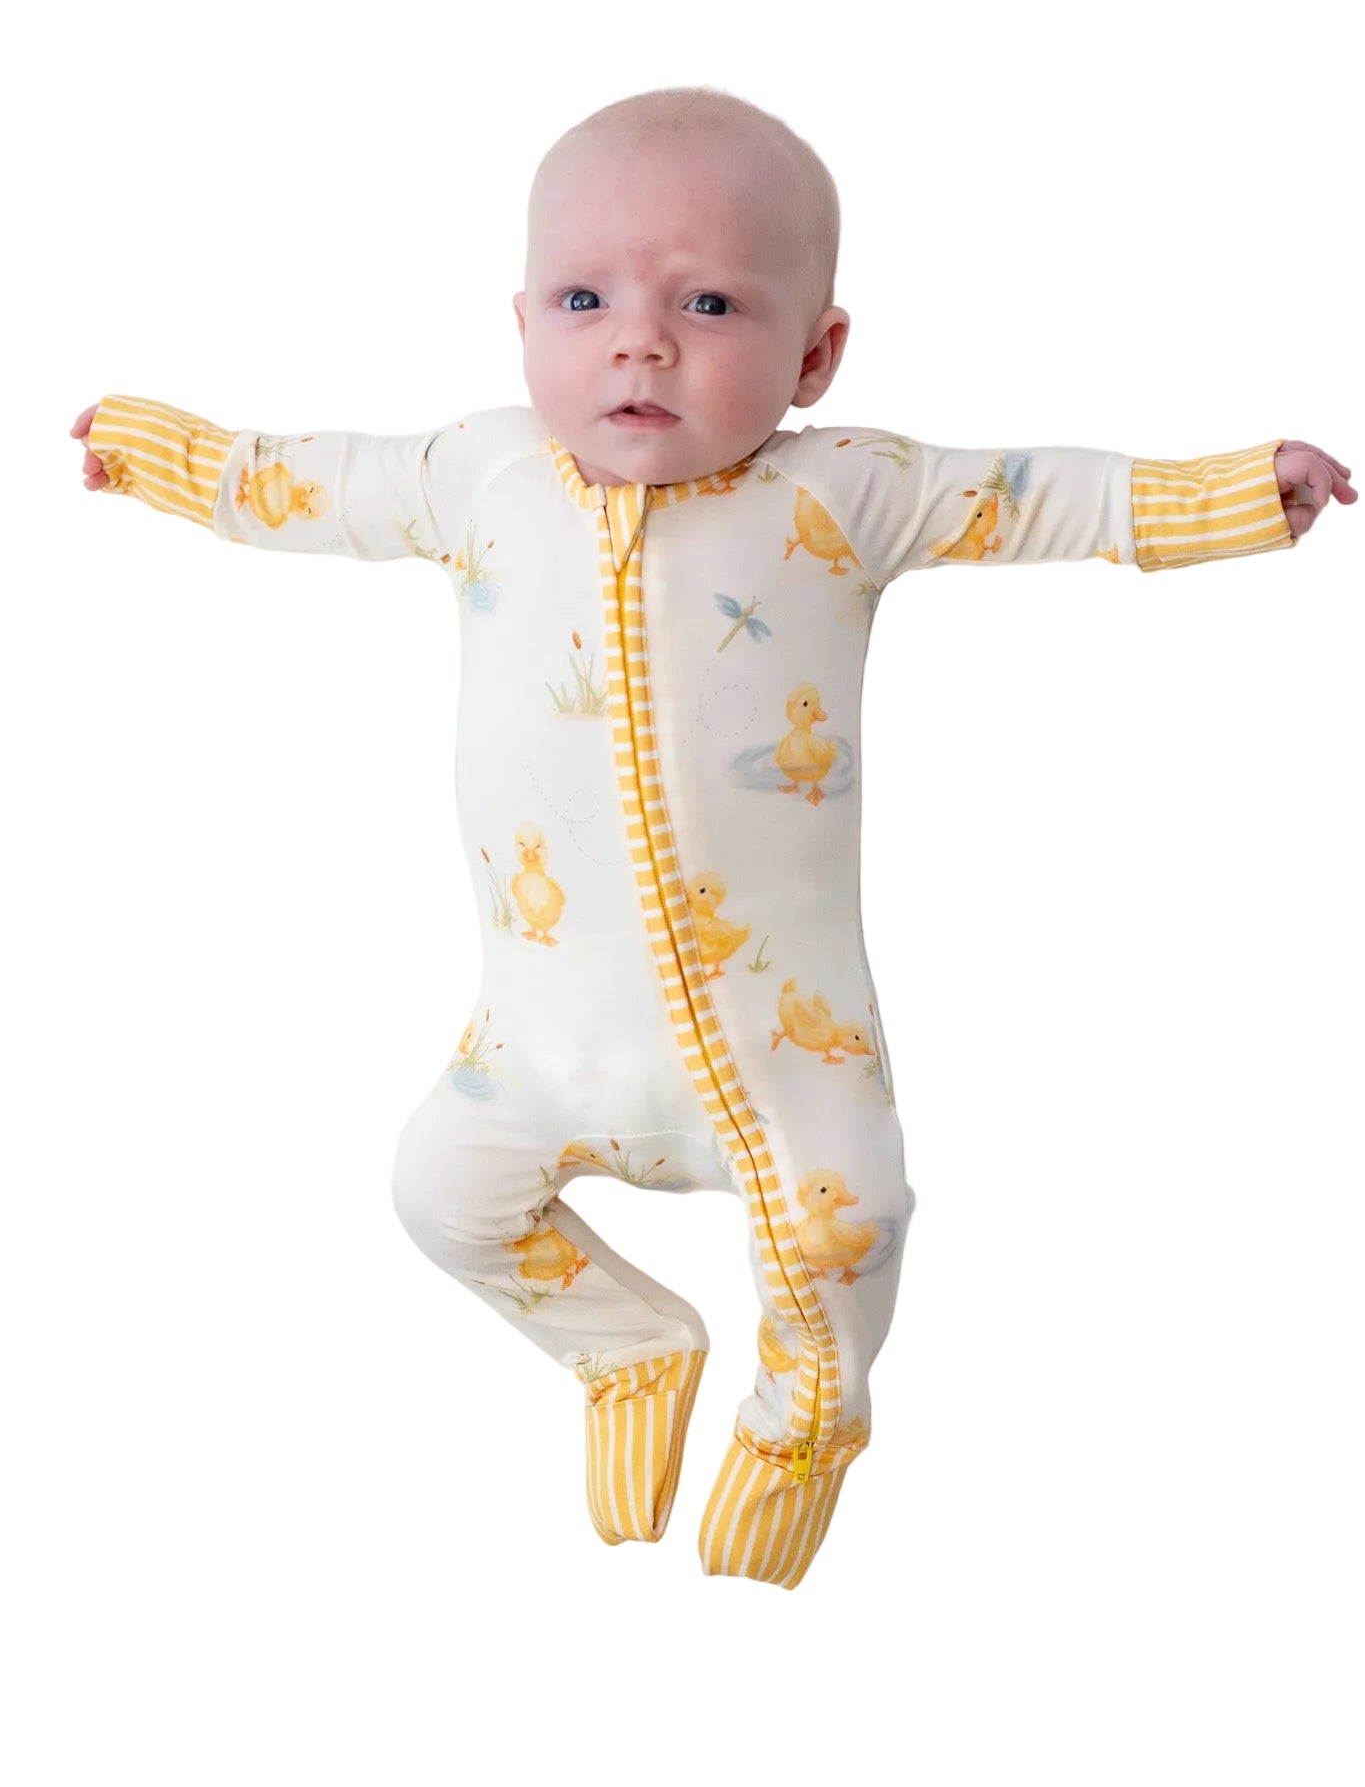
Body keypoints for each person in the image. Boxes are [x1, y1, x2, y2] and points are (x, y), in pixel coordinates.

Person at [70, 85, 1357, 1589]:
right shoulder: (480, 473)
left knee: (846, 1231)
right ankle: (625, 1349)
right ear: (521, 324)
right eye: (585, 300)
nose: (640, 341)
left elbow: (1040, 499)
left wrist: (1229, 496)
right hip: (532, 1048)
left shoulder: (846, 491)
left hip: (785, 1047)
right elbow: (308, 480)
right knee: (439, 1195)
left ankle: (804, 1421)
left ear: (814, 355)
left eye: (708, 302)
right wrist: (158, 453)